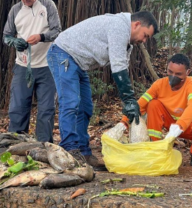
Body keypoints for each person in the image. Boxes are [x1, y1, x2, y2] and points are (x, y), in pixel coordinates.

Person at [47, 11, 158, 170]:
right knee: (71, 103)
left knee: (85, 107)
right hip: (63, 53)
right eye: (145, 35)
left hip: (78, 63)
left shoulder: (128, 44)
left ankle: (84, 152)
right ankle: (69, 149)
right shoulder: (119, 26)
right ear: (137, 25)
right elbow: (118, 69)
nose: (144, 41)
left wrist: (130, 101)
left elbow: (121, 71)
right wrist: (128, 100)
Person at [3, 0, 62, 142]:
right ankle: (16, 143)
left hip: (47, 65)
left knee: (47, 108)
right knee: (18, 107)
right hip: (23, 66)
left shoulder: (47, 5)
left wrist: (41, 37)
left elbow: (57, 30)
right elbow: (6, 36)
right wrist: (14, 42)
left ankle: (43, 145)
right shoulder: (15, 10)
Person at [137, 53, 192, 166]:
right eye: (170, 72)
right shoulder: (159, 84)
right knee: (153, 104)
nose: (173, 76)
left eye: (178, 74)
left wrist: (179, 126)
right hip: (170, 124)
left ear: (187, 72)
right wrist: (123, 123)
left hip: (190, 126)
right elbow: (140, 104)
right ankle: (155, 149)